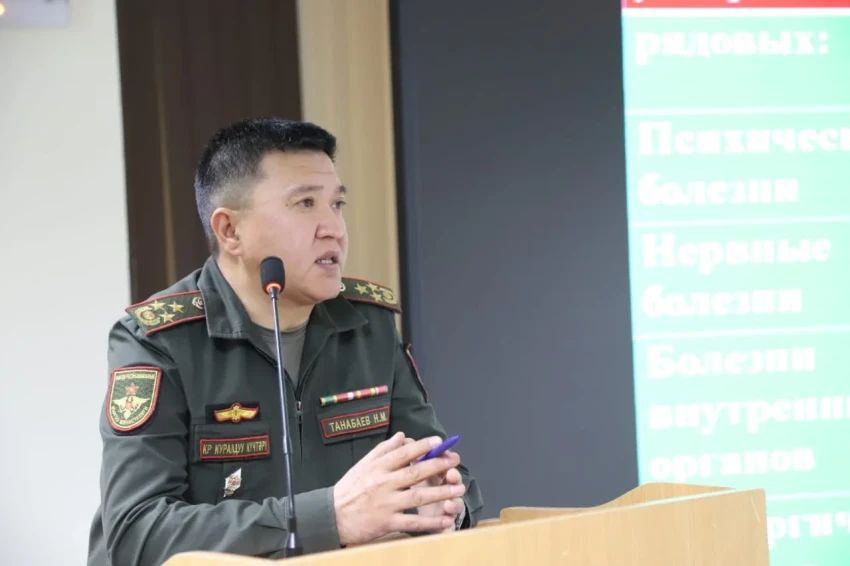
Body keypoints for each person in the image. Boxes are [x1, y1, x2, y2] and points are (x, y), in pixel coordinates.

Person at [87, 118, 483, 566]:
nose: (333, 228)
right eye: (305, 204)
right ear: (230, 231)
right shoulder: (159, 342)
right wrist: (328, 519)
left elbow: (447, 473)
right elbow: (136, 534)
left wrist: (443, 505)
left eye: (337, 204)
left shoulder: (367, 325)